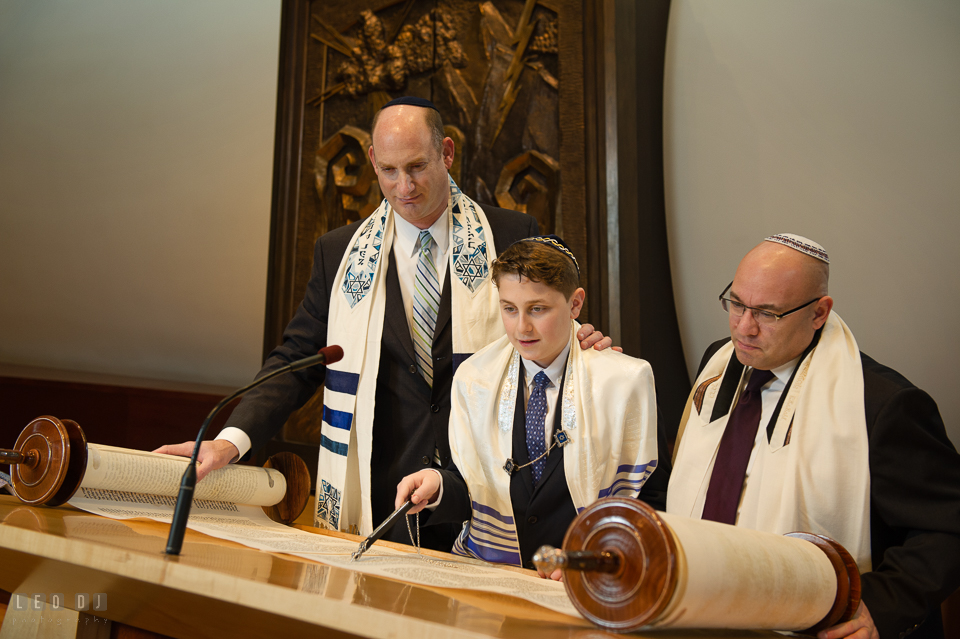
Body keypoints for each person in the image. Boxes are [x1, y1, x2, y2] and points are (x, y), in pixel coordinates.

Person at [156, 97, 611, 550]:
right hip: (384, 499)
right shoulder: (338, 253)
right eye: (389, 170)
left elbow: (544, 330)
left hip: (487, 488)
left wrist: (576, 342)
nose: (404, 186)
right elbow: (295, 361)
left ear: (447, 153)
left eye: (417, 166)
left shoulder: (511, 234)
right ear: (373, 160)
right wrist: (230, 442)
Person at [667, 234, 960, 639]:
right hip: (700, 611)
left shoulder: (883, 405)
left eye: (768, 314)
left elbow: (947, 528)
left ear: (819, 313)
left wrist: (881, 604)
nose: (745, 328)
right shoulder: (719, 364)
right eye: (736, 304)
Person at [396, 236, 662, 572]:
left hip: (583, 575)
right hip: (495, 576)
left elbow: (650, 498)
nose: (522, 327)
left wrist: (595, 563)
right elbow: (471, 483)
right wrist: (437, 487)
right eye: (509, 309)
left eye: (537, 309)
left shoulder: (624, 381)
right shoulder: (474, 378)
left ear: (575, 304)